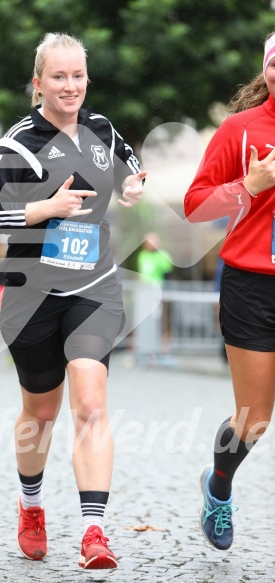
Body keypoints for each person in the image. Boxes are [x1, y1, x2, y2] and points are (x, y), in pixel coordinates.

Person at [0, 33, 146, 569]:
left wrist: (136, 183)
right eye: (59, 77)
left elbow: (129, 163)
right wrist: (45, 208)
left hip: (94, 287)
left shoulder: (101, 128)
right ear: (38, 82)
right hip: (32, 297)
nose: (70, 86)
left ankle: (94, 532)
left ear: (86, 79)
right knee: (40, 414)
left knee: (91, 402)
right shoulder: (18, 145)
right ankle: (31, 506)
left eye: (78, 76)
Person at [184, 32, 275, 551]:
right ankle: (218, 487)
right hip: (252, 286)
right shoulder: (239, 130)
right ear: (266, 71)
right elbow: (195, 206)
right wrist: (249, 186)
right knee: (254, 419)